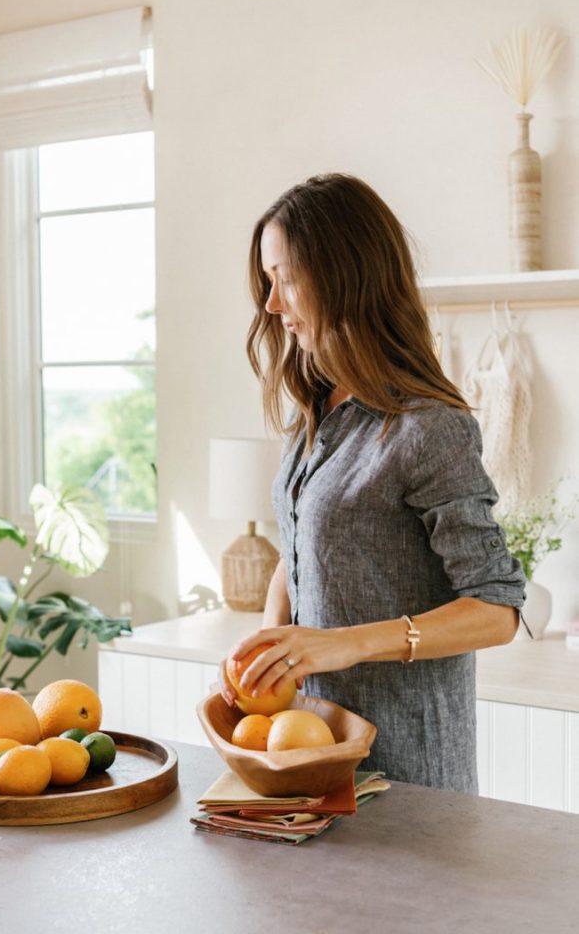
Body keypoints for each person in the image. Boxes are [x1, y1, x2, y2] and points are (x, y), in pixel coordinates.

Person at [220, 173, 525, 794]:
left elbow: (497, 610)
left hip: (405, 769)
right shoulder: (313, 411)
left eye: (286, 278)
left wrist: (341, 645)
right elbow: (301, 542)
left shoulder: (428, 426)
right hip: (307, 747)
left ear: (343, 275)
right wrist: (266, 648)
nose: (273, 306)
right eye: (268, 282)